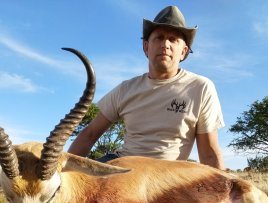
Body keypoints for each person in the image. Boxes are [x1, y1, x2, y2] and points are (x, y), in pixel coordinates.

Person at [68, 5, 225, 170]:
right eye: (159, 37)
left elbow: (208, 153)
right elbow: (90, 134)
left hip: (166, 176)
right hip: (120, 168)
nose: (165, 44)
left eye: (173, 39)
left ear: (184, 51)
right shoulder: (125, 89)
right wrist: (64, 171)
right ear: (146, 47)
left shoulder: (201, 87)